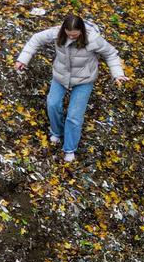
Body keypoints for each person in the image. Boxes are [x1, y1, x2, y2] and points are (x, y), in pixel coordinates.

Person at [14, 14, 126, 162]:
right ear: (64, 30)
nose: (72, 37)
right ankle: (57, 131)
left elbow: (111, 54)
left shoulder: (93, 39)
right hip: (61, 75)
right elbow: (36, 39)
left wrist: (117, 74)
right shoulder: (56, 33)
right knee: (52, 104)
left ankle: (69, 149)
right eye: (69, 34)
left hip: (84, 79)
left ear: (82, 31)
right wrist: (23, 59)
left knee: (74, 115)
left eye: (75, 35)